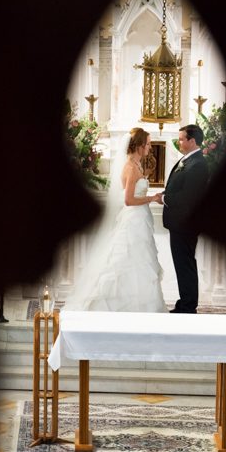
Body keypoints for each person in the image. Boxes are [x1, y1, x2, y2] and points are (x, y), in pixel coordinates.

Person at [62, 127, 167, 313]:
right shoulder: (131, 168)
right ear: (140, 146)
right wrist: (151, 198)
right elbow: (128, 201)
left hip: (140, 219)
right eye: (148, 144)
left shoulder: (137, 165)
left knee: (140, 261)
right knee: (127, 260)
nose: (150, 147)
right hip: (134, 220)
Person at [159, 124, 210, 313]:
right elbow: (179, 187)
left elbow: (188, 197)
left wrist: (164, 198)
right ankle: (185, 302)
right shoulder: (189, 160)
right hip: (180, 222)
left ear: (192, 141)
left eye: (181, 139)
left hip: (185, 223)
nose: (179, 142)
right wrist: (166, 193)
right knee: (182, 264)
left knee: (185, 264)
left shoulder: (198, 164)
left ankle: (188, 306)